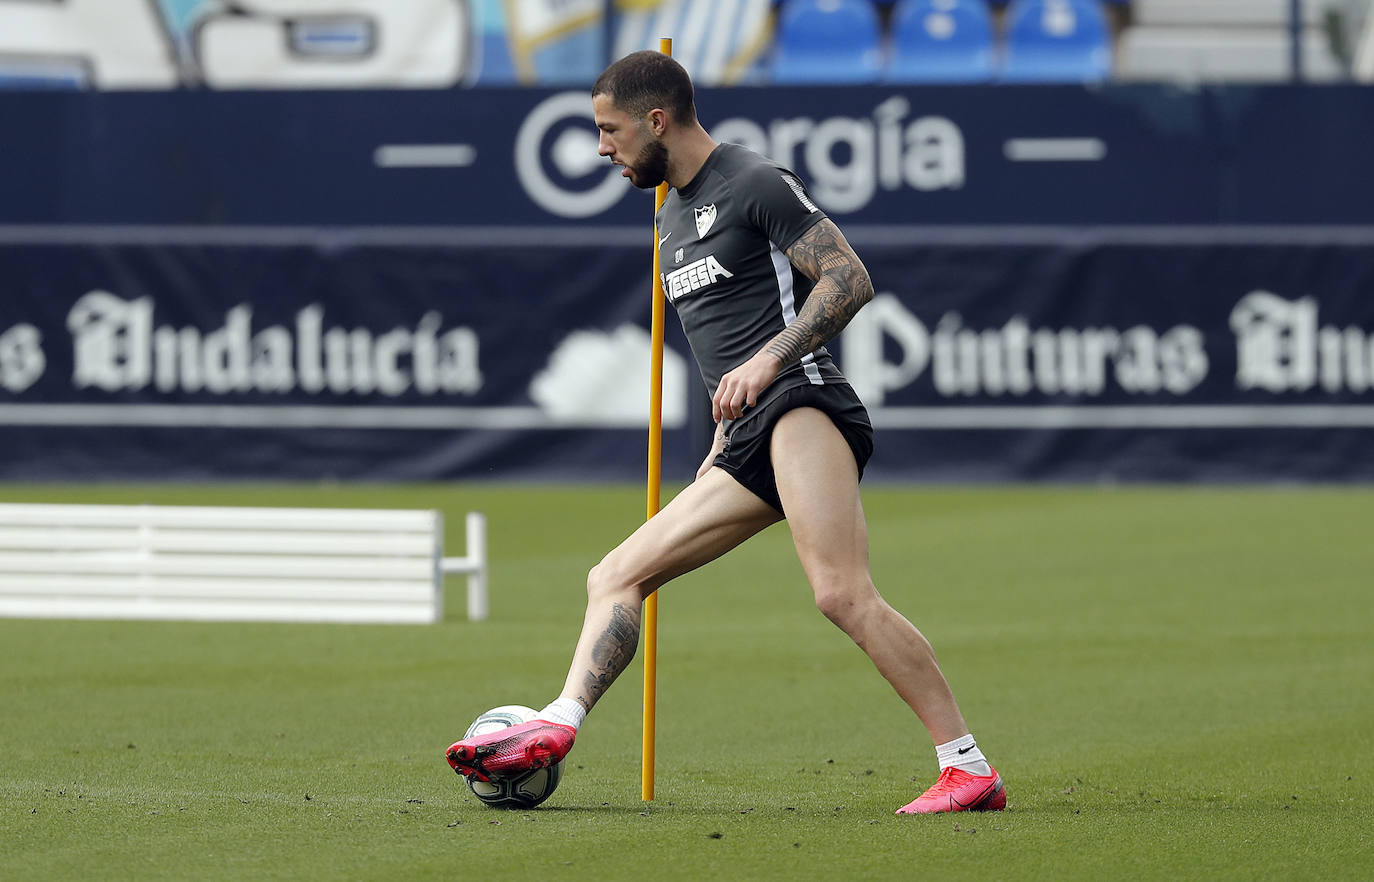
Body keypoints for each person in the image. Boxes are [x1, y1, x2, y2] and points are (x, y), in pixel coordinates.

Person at [447, 49, 1005, 816]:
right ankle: (557, 723)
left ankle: (966, 766)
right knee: (613, 576)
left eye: (609, 130)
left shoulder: (752, 181)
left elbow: (850, 279)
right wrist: (718, 444)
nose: (601, 147)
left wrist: (770, 359)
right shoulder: (669, 217)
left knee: (841, 593)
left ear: (657, 119)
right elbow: (719, 344)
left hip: (801, 402)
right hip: (744, 438)